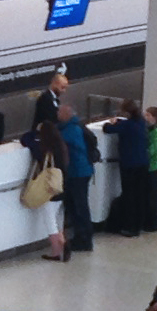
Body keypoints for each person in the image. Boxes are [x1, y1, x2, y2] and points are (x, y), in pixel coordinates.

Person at [104, 99, 151, 237]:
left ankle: (130, 227)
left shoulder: (126, 125)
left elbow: (107, 128)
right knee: (139, 195)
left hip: (130, 164)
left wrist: (112, 122)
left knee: (129, 195)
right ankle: (139, 224)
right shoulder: (140, 122)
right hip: (143, 162)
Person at [30, 122, 70, 262]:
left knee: (50, 221)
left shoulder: (43, 149)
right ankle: (63, 242)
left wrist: (36, 131)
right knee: (59, 219)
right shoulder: (62, 147)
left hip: (49, 190)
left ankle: (57, 251)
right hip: (61, 187)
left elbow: (26, 139)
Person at [57, 106, 95, 252]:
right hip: (82, 170)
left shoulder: (71, 130)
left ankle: (84, 239)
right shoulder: (76, 126)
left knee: (79, 206)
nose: (57, 114)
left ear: (66, 115)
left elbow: (57, 139)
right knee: (77, 205)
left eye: (60, 112)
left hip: (77, 172)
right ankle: (82, 237)